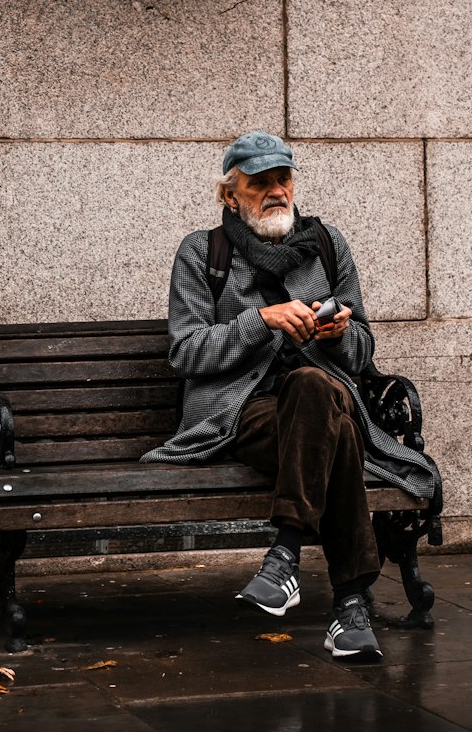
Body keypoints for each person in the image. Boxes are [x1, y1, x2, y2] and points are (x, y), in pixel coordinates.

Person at [141, 132, 439, 659]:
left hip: (327, 393)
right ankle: (349, 606)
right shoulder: (202, 251)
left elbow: (364, 350)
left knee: (314, 384)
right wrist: (261, 322)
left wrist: (342, 334)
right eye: (260, 183)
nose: (276, 191)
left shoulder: (327, 244)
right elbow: (185, 353)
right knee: (335, 428)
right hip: (244, 414)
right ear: (231, 195)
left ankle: (284, 560)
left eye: (283, 178)